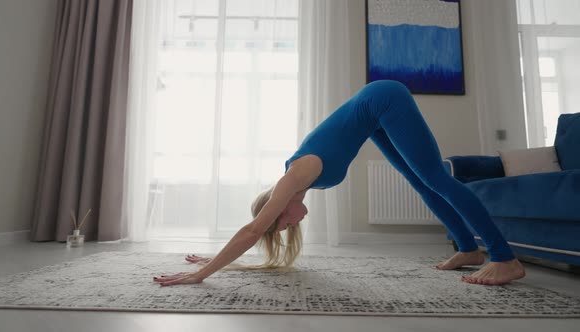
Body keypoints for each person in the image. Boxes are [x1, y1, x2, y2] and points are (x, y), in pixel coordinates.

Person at [153, 80, 526, 287]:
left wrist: (202, 274)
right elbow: (259, 230)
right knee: (421, 182)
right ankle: (468, 249)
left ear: (280, 206)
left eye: (284, 222)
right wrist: (217, 256)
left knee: (436, 178)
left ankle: (503, 257)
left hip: (384, 98)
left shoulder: (297, 175)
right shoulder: (297, 186)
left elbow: (254, 229)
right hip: (373, 115)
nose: (294, 223)